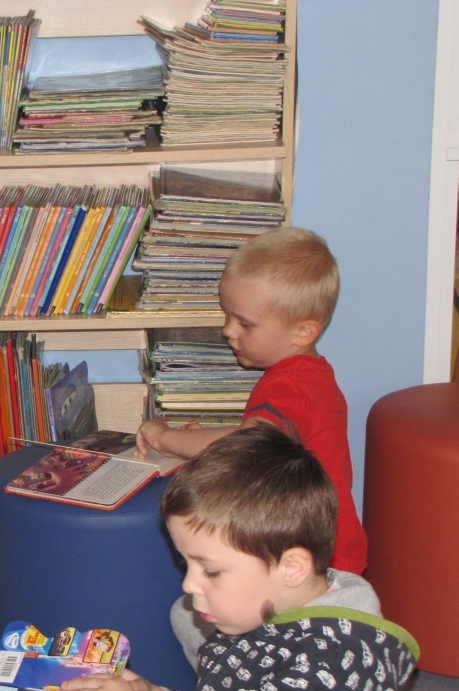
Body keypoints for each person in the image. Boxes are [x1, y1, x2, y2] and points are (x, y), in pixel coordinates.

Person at [56, 425, 418, 691]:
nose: (188, 585)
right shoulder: (264, 616)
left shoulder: (327, 677)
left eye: (211, 571)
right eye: (186, 564)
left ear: (291, 569)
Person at [134, 228, 369, 663]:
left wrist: (167, 437)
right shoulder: (308, 375)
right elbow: (266, 434)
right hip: (324, 539)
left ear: (303, 331)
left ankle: (233, 683)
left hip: (304, 548)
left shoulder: (289, 385)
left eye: (245, 323)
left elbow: (248, 441)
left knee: (211, 626)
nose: (228, 330)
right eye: (227, 314)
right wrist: (199, 438)